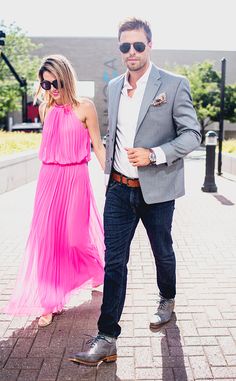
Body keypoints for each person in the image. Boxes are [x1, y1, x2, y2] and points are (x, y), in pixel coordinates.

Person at [69, 17, 201, 366]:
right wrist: (109, 165)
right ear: (120, 49)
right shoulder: (112, 87)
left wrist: (154, 154)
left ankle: (166, 299)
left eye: (138, 45)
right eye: (125, 46)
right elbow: (114, 132)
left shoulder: (173, 84)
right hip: (119, 189)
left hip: (156, 190)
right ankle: (107, 337)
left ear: (150, 45)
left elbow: (192, 134)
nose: (131, 52)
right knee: (114, 263)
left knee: (163, 251)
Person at [3, 54, 106, 327]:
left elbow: (97, 145)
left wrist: (113, 177)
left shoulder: (85, 107)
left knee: (75, 238)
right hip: (48, 180)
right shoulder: (45, 109)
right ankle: (49, 300)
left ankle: (96, 269)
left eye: (56, 82)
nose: (52, 89)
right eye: (46, 85)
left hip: (75, 179)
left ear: (67, 77)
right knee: (47, 241)